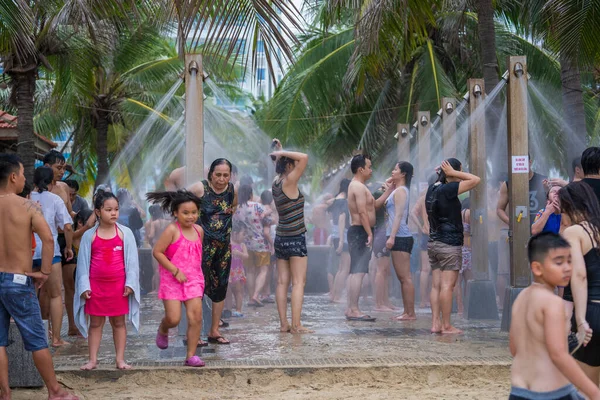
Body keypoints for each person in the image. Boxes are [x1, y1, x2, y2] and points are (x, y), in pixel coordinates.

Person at [0, 154, 79, 400]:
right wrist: (44, 272)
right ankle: (54, 391)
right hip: (18, 280)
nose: (25, 179)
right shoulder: (28, 206)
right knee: (37, 339)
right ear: (13, 177)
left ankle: (5, 392)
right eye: (23, 174)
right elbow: (47, 239)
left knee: (0, 341)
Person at [509, 232, 600, 400]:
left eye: (570, 261)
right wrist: (593, 392)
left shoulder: (520, 299)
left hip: (519, 391)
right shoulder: (553, 303)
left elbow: (515, 349)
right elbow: (559, 355)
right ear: (537, 268)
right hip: (552, 393)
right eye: (559, 263)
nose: (567, 268)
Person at [74, 192, 140, 370]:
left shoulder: (125, 233)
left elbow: (133, 263)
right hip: (95, 287)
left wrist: (130, 284)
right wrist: (84, 286)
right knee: (95, 323)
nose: (113, 213)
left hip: (119, 287)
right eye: (108, 209)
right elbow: (82, 265)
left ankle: (120, 360)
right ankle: (93, 360)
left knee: (119, 323)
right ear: (97, 211)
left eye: (116, 209)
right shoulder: (90, 236)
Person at [148, 190, 206, 367]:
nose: (190, 217)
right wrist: (175, 271)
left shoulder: (199, 230)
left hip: (193, 279)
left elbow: (196, 255)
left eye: (194, 212)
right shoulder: (172, 230)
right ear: (175, 213)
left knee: (195, 317)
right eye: (185, 213)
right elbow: (157, 252)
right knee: (174, 319)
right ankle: (163, 328)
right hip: (172, 279)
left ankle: (191, 355)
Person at [426, 159, 480, 334]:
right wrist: (453, 173)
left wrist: (446, 173)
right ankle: (447, 325)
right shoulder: (448, 189)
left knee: (436, 285)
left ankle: (435, 324)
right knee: (448, 286)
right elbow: (475, 180)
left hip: (434, 243)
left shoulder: (432, 188)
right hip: (449, 245)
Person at [188, 158, 237, 344]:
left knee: (220, 288)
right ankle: (193, 333)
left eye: (226, 175)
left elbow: (233, 207)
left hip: (224, 249)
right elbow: (181, 204)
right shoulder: (200, 188)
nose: (222, 179)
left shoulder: (232, 190)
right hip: (201, 248)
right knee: (197, 289)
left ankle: (214, 330)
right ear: (211, 174)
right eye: (218, 175)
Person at [559, 182, 600, 385]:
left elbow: (579, 276)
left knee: (586, 388)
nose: (562, 217)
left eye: (562, 210)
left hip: (594, 311)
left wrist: (581, 319)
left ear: (570, 207)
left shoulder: (575, 232)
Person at [346, 154, 394, 321]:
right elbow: (362, 212)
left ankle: (351, 308)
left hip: (361, 231)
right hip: (360, 231)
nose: (371, 170)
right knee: (358, 272)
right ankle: (353, 309)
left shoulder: (360, 186)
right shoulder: (357, 187)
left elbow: (374, 205)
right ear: (361, 169)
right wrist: (369, 233)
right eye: (369, 167)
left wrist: (390, 190)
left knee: (356, 271)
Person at [270, 139, 311, 333]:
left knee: (281, 282)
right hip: (295, 237)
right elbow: (304, 158)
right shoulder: (290, 181)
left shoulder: (276, 182)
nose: (297, 168)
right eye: (292, 165)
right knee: (298, 282)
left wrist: (279, 151)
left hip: (281, 237)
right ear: (288, 165)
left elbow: (281, 164)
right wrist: (284, 152)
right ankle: (296, 325)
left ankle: (283, 324)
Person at [31, 167, 74, 348]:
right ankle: (56, 338)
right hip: (52, 252)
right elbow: (68, 226)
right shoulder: (55, 199)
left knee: (30, 295)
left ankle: (35, 336)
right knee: (56, 295)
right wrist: (69, 247)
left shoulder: (25, 200)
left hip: (29, 252)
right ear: (51, 182)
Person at [385, 162, 416, 321]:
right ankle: (407, 311)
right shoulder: (398, 190)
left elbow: (398, 216)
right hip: (398, 235)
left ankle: (410, 313)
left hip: (400, 236)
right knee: (403, 277)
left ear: (403, 174)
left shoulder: (401, 192)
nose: (392, 171)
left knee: (405, 277)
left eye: (395, 169)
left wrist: (391, 237)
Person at [235, 184, 272, 307]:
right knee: (263, 270)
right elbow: (269, 219)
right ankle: (256, 295)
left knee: (250, 271)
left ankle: (251, 298)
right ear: (251, 194)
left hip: (246, 245)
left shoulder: (237, 209)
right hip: (261, 244)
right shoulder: (257, 206)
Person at [410, 173, 437, 308]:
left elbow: (412, 213)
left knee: (424, 269)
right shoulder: (438, 195)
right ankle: (434, 299)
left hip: (426, 235)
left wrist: (421, 227)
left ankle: (422, 301)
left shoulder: (422, 197)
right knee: (436, 269)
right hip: (437, 235)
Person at [329, 179, 351, 304]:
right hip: (344, 236)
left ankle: (335, 295)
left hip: (337, 235)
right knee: (345, 268)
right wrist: (342, 241)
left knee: (340, 267)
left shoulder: (336, 200)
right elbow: (342, 218)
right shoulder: (343, 202)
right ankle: (337, 296)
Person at [228, 223, 249, 317]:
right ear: (235, 233)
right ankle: (228, 308)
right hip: (229, 271)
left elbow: (246, 256)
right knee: (229, 290)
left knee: (239, 291)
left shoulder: (242, 245)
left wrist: (240, 254)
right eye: (243, 234)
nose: (244, 236)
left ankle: (238, 310)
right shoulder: (228, 244)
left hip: (239, 271)